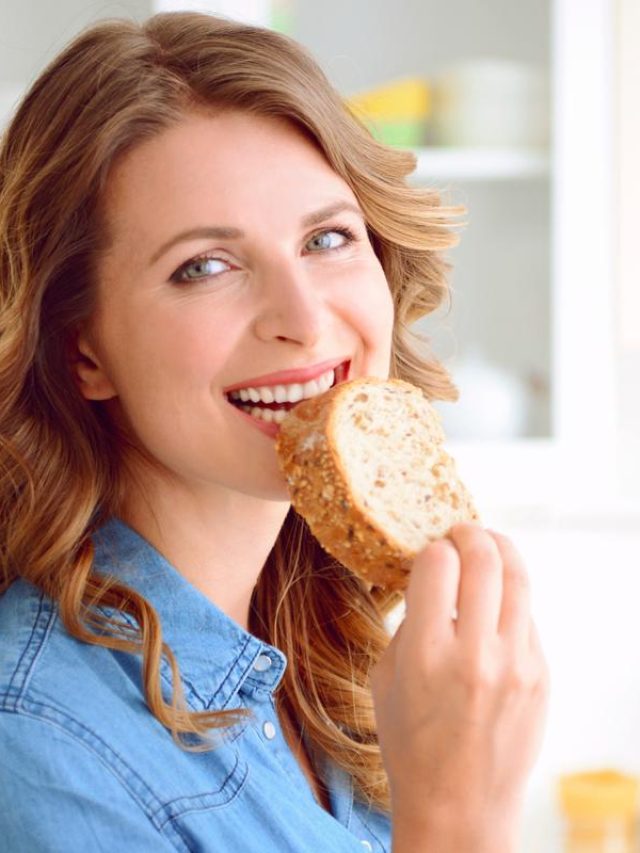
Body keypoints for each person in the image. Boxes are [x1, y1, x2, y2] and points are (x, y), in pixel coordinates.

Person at [0, 11, 549, 852]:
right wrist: (459, 819)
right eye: (205, 266)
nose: (304, 319)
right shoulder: (37, 744)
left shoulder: (329, 665)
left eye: (328, 237)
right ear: (82, 350)